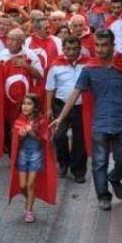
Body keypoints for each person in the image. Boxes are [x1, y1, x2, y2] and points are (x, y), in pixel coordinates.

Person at [51, 29, 122, 211]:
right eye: (97, 45)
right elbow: (75, 93)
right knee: (99, 161)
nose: (100, 49)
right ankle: (103, 196)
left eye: (104, 45)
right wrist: (60, 117)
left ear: (112, 45)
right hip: (99, 122)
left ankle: (115, 178)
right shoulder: (89, 69)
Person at [45, 35, 88, 183]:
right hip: (60, 105)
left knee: (80, 140)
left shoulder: (88, 63)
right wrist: (48, 108)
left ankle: (79, 171)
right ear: (63, 49)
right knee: (58, 136)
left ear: (80, 49)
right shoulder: (55, 64)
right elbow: (50, 88)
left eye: (75, 49)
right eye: (68, 49)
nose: (72, 52)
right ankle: (63, 163)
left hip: (81, 106)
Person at [9, 94, 57, 223]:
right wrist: (20, 135)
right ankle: (28, 199)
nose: (25, 106)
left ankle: (29, 210)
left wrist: (32, 133)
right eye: (24, 103)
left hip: (36, 155)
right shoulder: (19, 120)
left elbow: (44, 140)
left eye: (29, 104)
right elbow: (14, 141)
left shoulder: (41, 120)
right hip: (22, 156)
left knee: (30, 184)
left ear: (35, 107)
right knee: (23, 185)